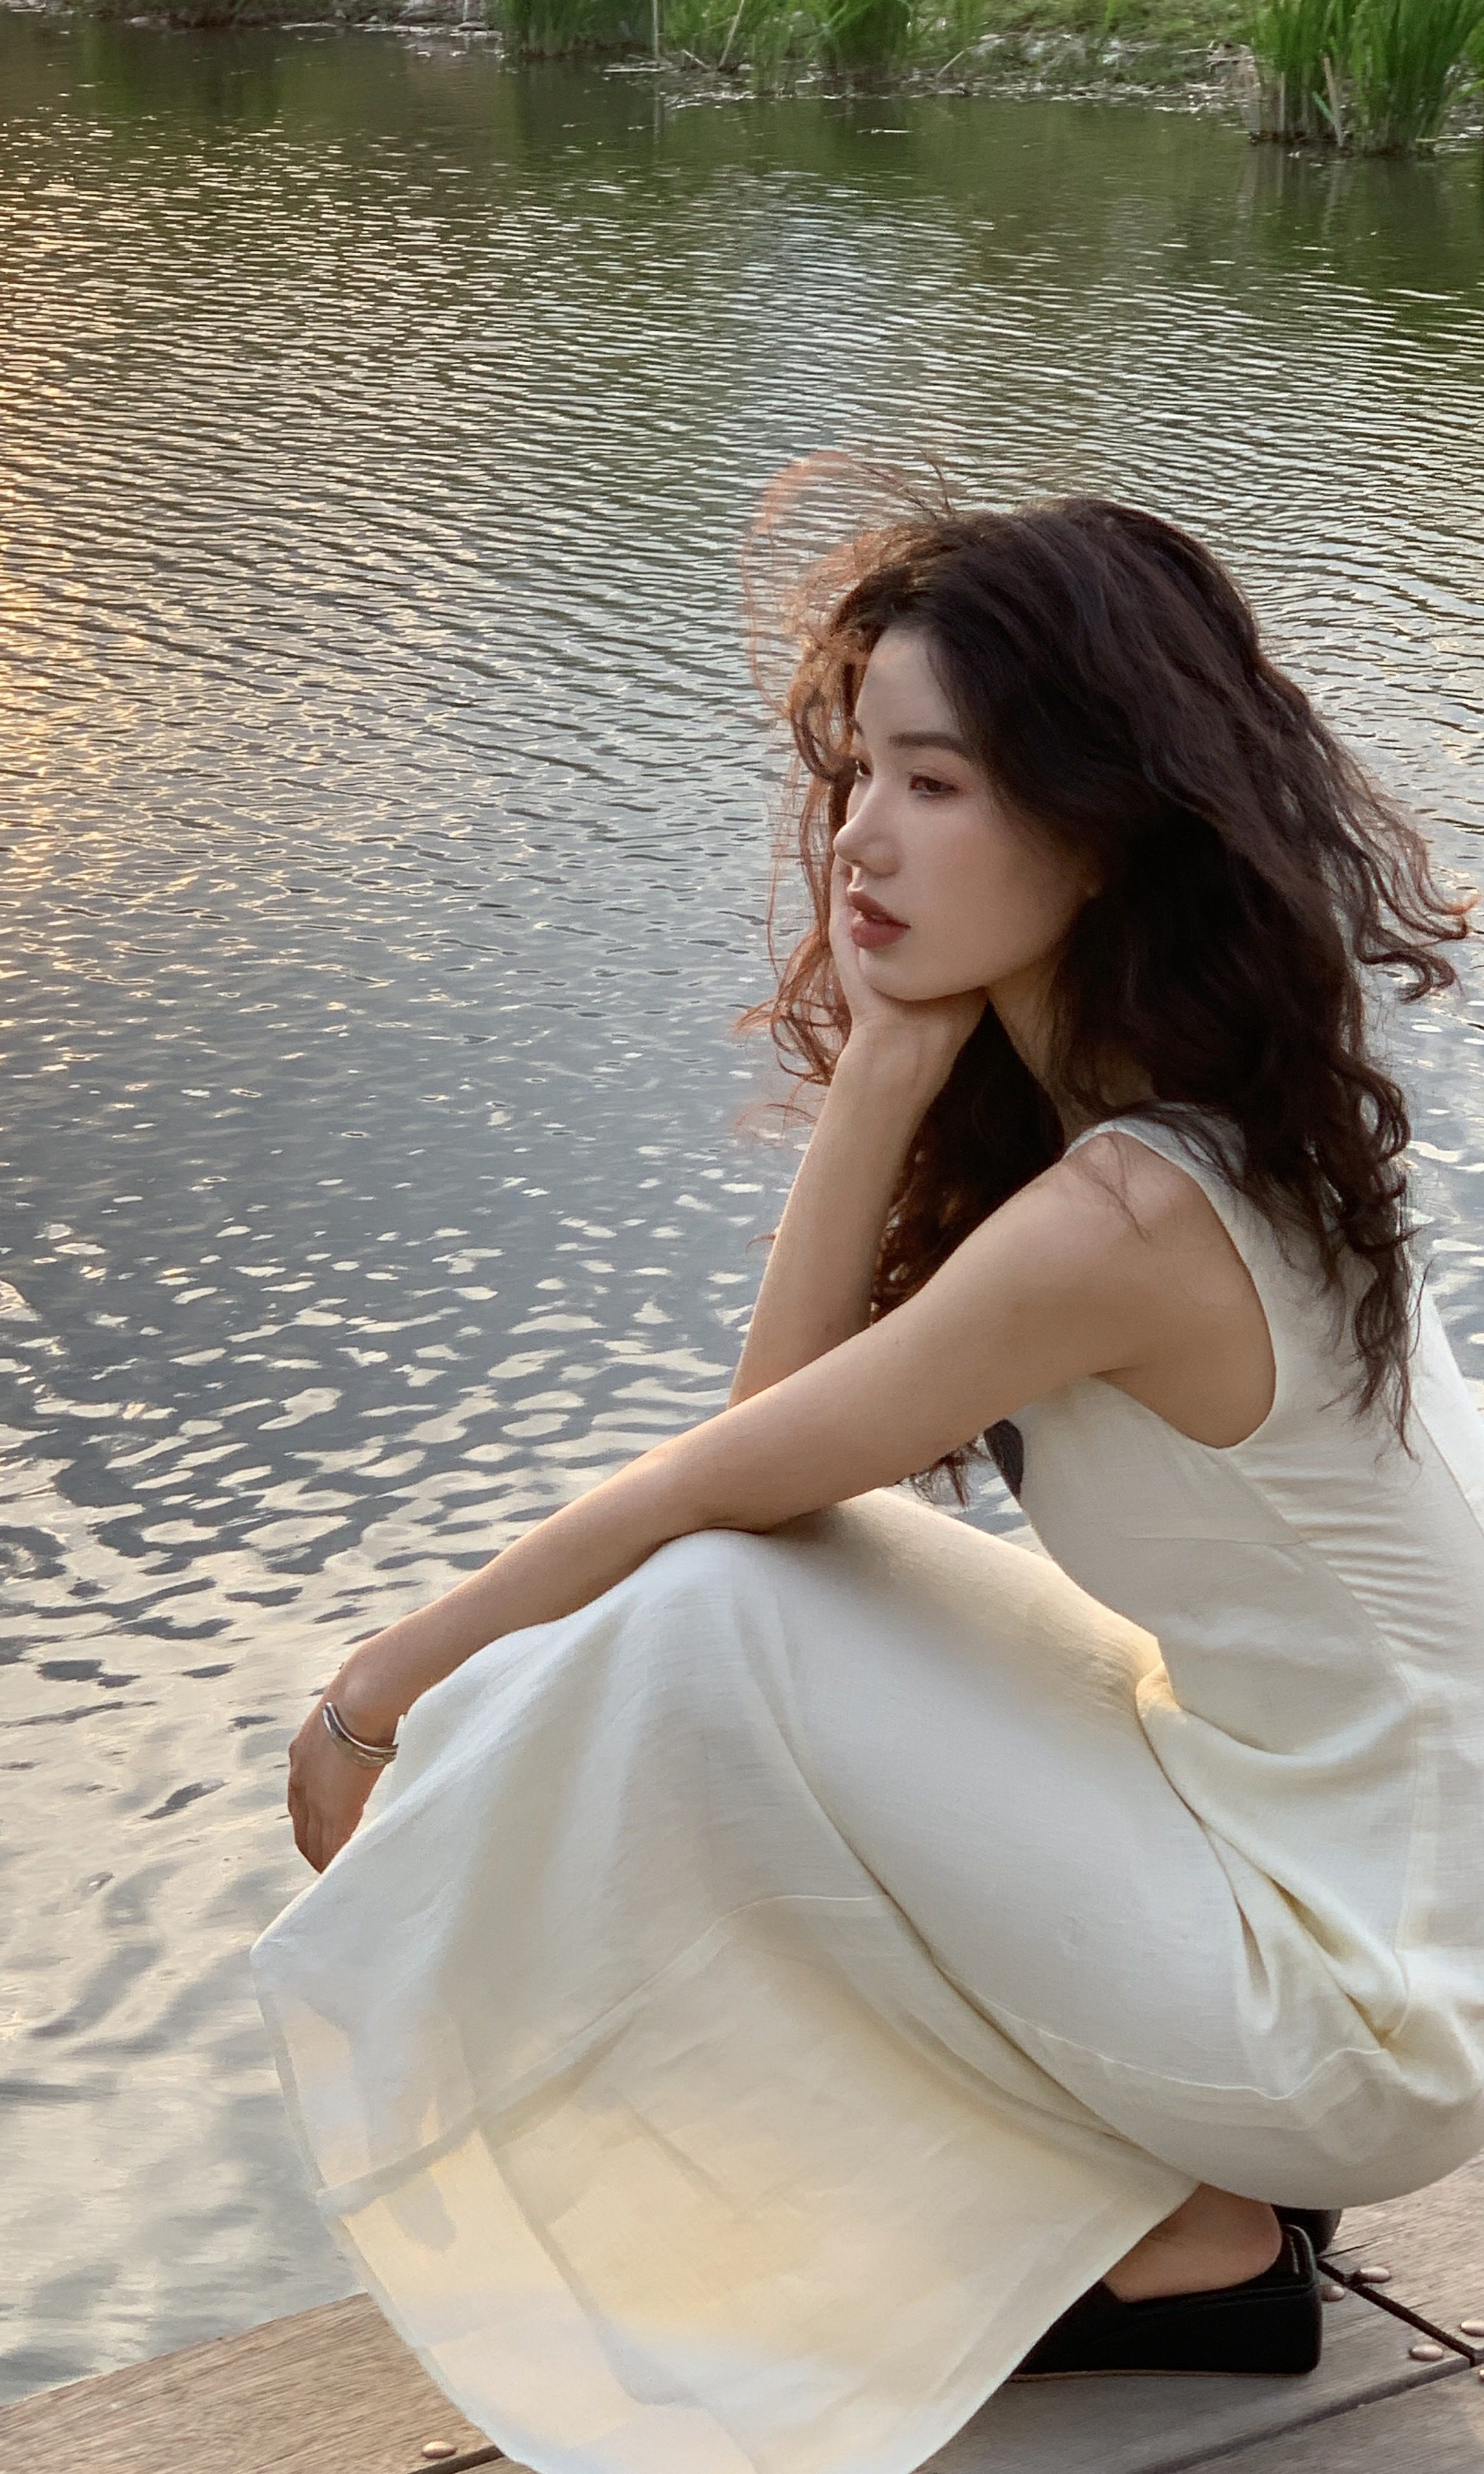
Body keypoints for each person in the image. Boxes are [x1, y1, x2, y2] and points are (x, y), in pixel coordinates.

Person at [251, 491, 1484, 2474]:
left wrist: (387, 1682)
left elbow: (721, 1491)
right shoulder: (1186, 1132)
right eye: (857, 778)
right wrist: (896, 1063)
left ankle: (1189, 2235)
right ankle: (1179, 2196)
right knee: (773, 1596)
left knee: (704, 1625)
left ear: (1102, 821)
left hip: (1366, 2003)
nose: (860, 840)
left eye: (938, 783)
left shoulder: (1126, 1216)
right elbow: (784, 1461)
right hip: (1370, 1904)